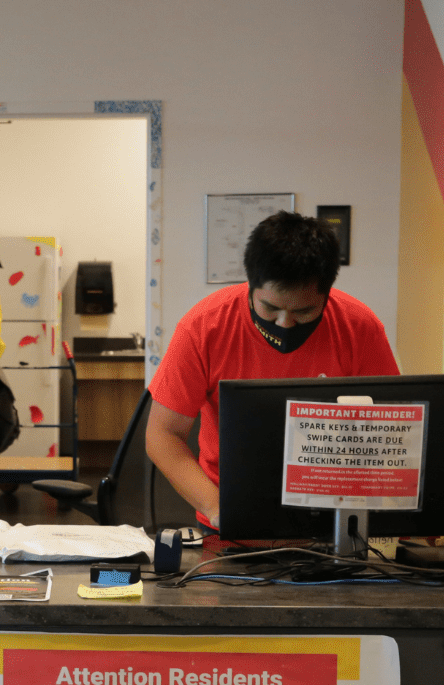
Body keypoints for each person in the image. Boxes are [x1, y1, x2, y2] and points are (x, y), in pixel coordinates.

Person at [146, 210, 399, 528]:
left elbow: (390, 428)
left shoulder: (359, 327)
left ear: (326, 293)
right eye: (271, 308)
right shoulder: (202, 327)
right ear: (251, 285)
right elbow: (163, 434)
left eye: (304, 310)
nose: (285, 322)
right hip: (230, 518)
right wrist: (217, 509)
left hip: (335, 519)